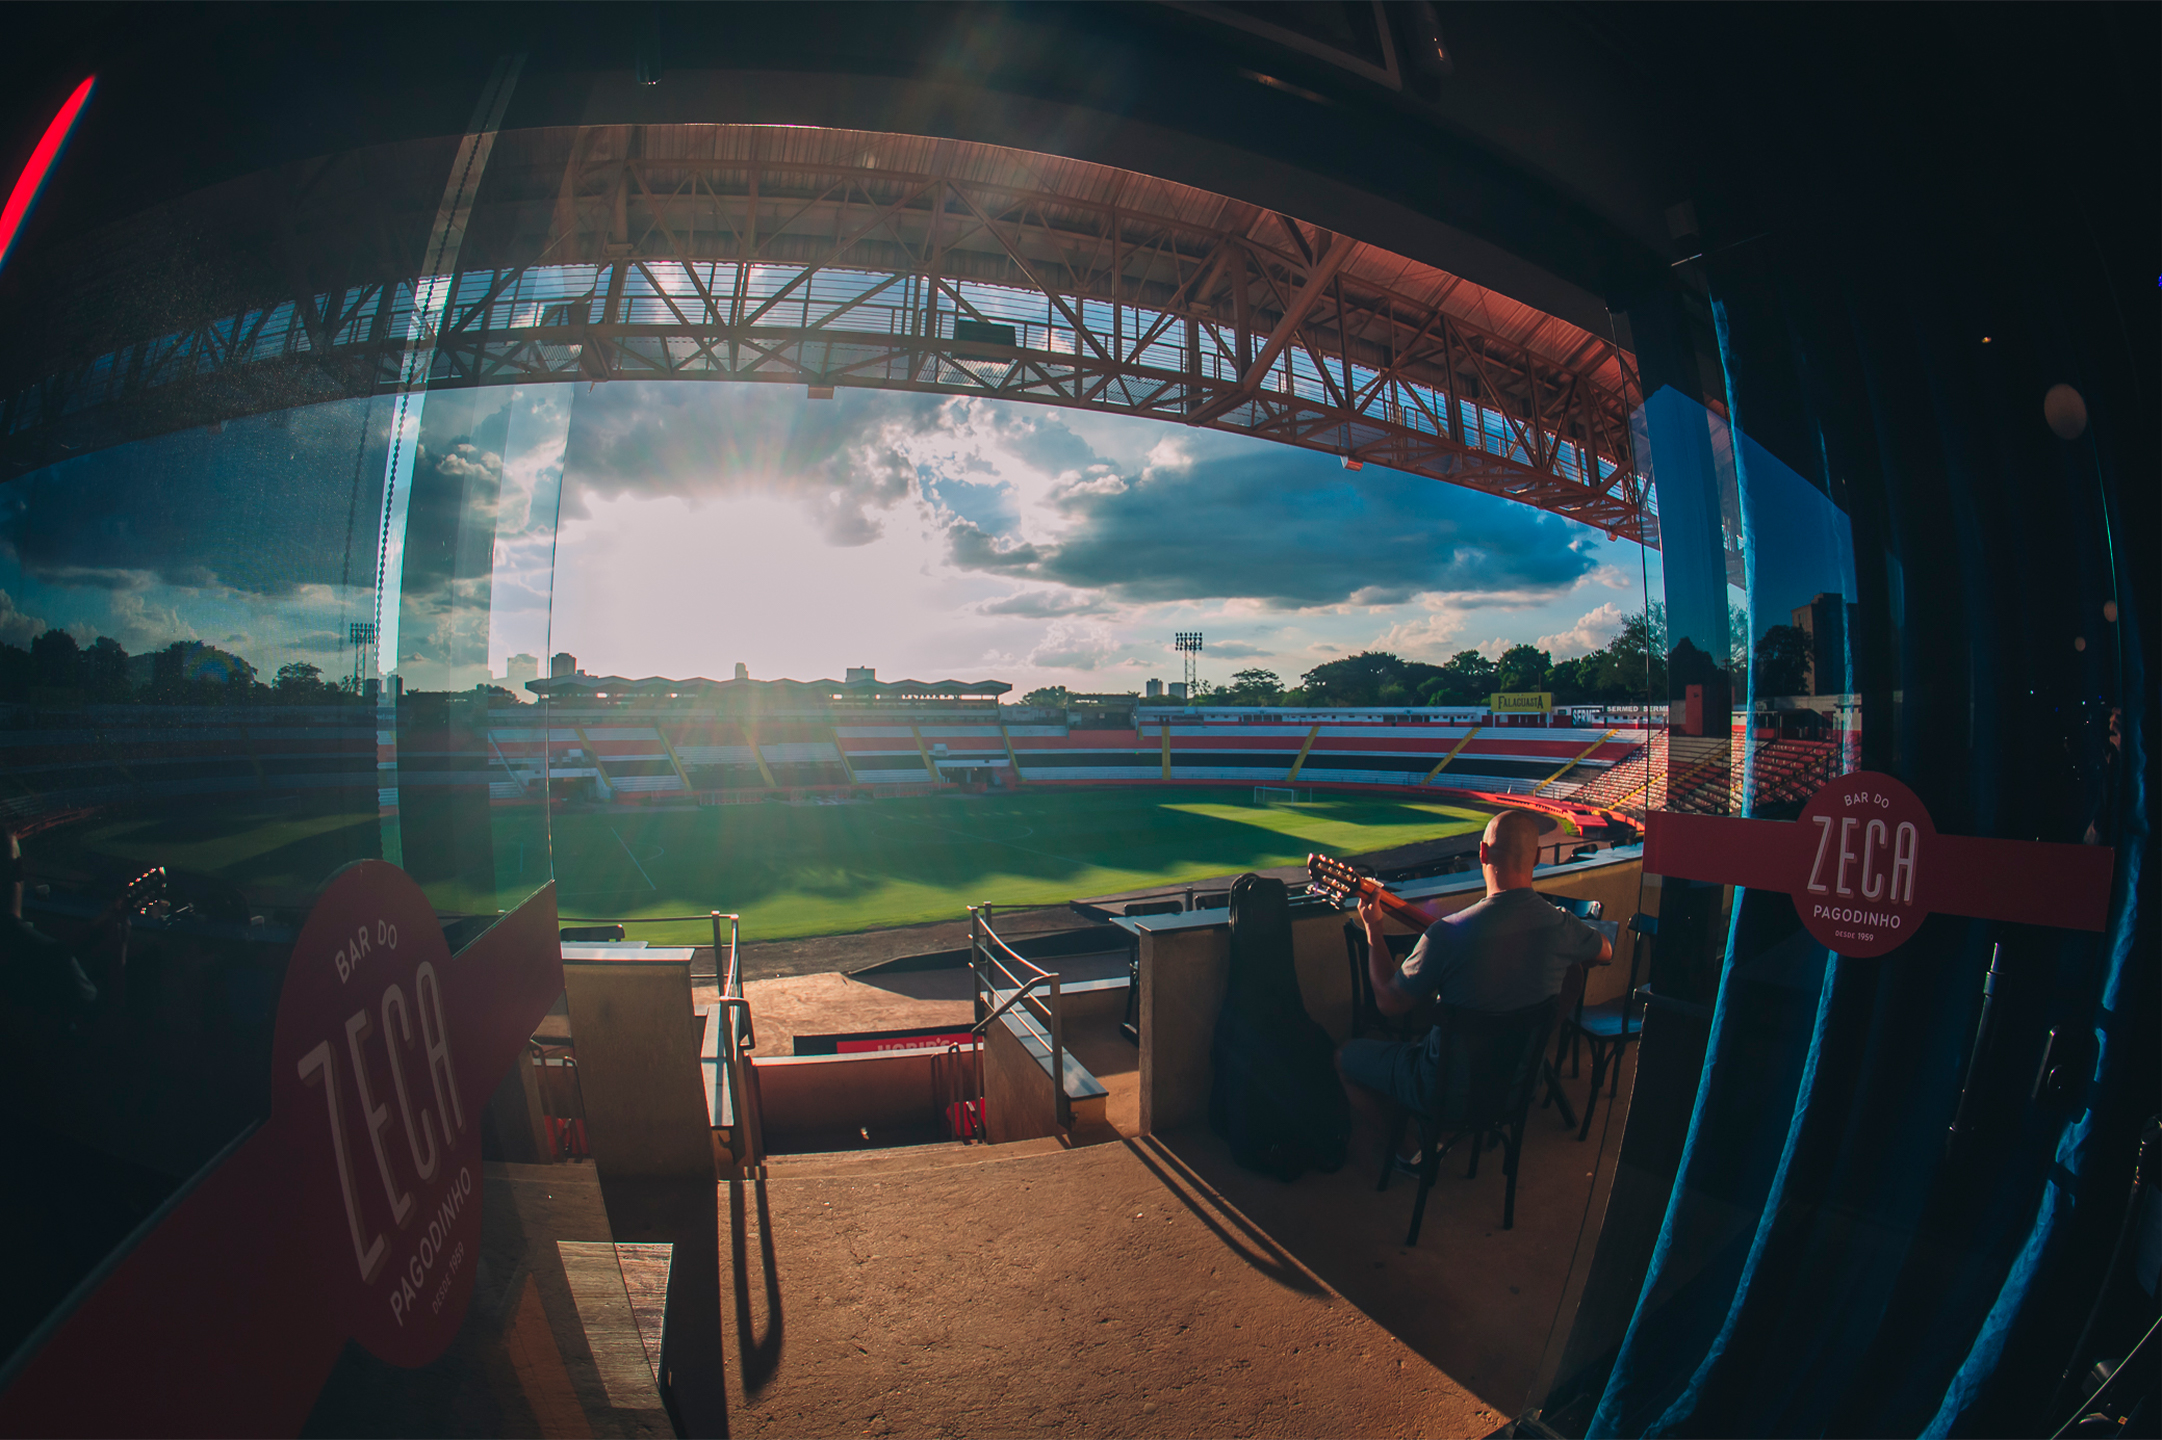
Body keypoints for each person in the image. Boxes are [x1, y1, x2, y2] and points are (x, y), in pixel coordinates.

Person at [1335, 808, 1611, 1164]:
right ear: (1539, 857)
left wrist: (1374, 929)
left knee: (1344, 1058)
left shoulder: (1446, 935)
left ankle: (1410, 1150)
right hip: (1518, 1088)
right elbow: (1605, 952)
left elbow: (1389, 1002)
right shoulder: (1562, 926)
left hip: (1446, 1090)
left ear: (1481, 853)